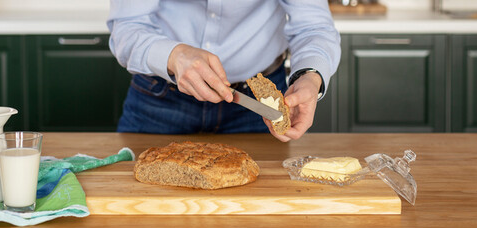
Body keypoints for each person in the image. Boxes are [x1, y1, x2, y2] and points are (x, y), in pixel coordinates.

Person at [107, 0, 341, 142]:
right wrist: (174, 55)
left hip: (256, 108)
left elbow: (314, 26)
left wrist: (311, 76)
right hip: (158, 100)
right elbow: (127, 27)